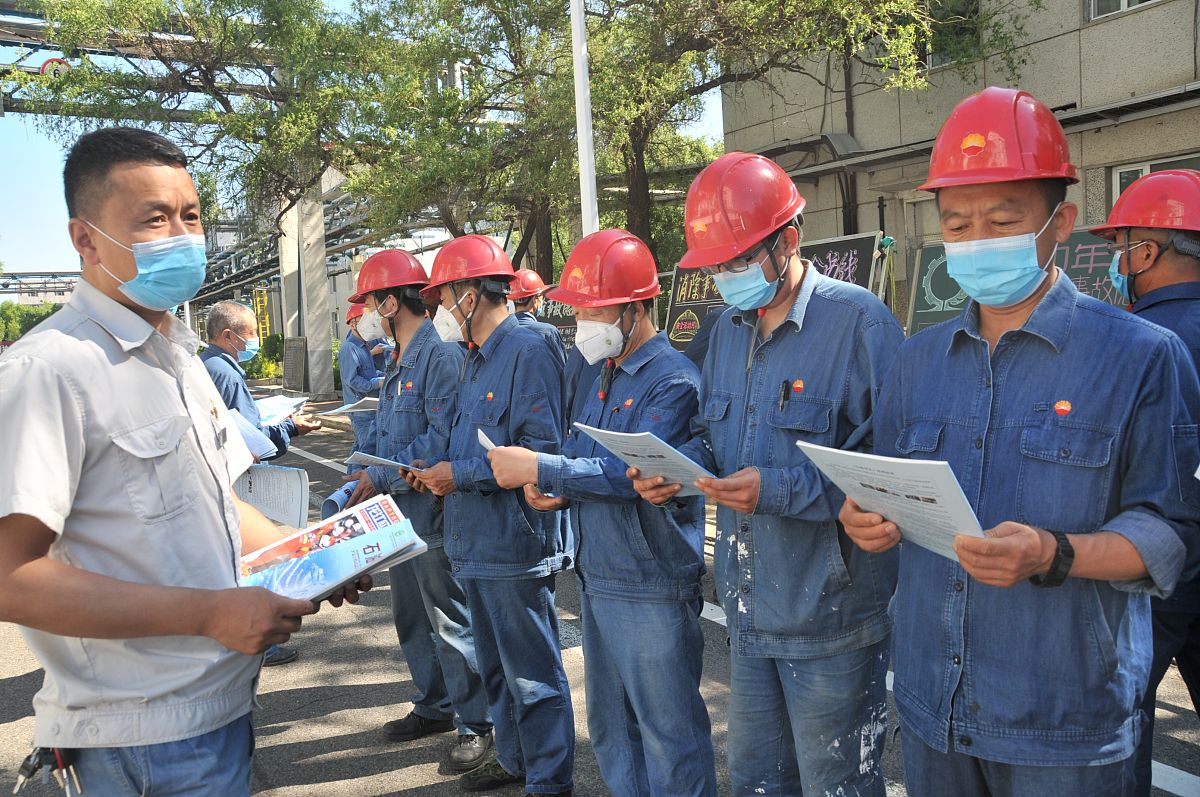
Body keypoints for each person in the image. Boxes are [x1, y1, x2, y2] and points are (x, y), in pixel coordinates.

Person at [840, 87, 1200, 797]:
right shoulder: (915, 361)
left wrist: (1054, 551)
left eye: (1003, 219)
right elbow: (881, 486)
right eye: (958, 223)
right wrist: (864, 517)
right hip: (932, 707)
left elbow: (1171, 534)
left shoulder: (1140, 356)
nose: (978, 240)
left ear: (1058, 221)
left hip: (1065, 722)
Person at [0, 126, 367, 797]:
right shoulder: (49, 370)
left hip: (222, 703)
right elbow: (10, 575)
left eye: (190, 215)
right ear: (85, 238)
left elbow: (220, 503)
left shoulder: (179, 358)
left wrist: (312, 555)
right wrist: (207, 612)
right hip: (137, 739)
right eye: (154, 218)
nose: (182, 235)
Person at [632, 151, 904, 797]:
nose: (727, 277)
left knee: (835, 782)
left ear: (788, 240)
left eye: (738, 260)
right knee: (757, 780)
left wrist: (777, 489)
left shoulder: (860, 323)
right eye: (717, 265)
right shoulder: (727, 330)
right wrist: (673, 470)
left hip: (831, 619)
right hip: (749, 610)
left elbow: (895, 475)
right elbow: (713, 437)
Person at [489, 229, 717, 797]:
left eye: (595, 309)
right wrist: (559, 486)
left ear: (636, 308)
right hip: (600, 577)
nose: (582, 323)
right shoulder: (601, 373)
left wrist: (541, 470)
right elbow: (583, 456)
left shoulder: (673, 380)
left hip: (651, 583)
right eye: (578, 309)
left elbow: (629, 476)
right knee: (613, 731)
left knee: (670, 736)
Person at [412, 235, 574, 796]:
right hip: (473, 540)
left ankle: (548, 780)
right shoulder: (474, 358)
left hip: (514, 542)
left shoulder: (527, 350)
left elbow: (539, 449)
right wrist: (440, 468)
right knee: (498, 668)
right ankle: (512, 759)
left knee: (533, 674)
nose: (437, 311)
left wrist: (460, 474)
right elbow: (474, 442)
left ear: (472, 294)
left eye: (443, 297)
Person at [340, 249, 494, 773]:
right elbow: (387, 432)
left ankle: (476, 723)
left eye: (367, 302)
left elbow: (440, 436)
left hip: (429, 511)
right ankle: (435, 705)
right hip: (396, 511)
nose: (361, 313)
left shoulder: (439, 355)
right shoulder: (396, 356)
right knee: (411, 615)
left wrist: (379, 472)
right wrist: (367, 471)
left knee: (450, 618)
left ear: (389, 302)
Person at [1091, 168, 1200, 796]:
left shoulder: (1138, 346)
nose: (1116, 260)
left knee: (1117, 731)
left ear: (1147, 252)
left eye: (1119, 246)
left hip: (1154, 572)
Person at [201, 299, 321, 458]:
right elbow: (252, 440)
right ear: (228, 335)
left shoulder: (205, 363)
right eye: (251, 332)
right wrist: (292, 427)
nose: (256, 338)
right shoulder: (228, 376)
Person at [339, 302, 386, 453]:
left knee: (361, 449)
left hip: (369, 408)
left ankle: (353, 476)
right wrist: (375, 384)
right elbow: (352, 380)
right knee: (367, 451)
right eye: (364, 321)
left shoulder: (364, 346)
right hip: (360, 410)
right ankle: (356, 476)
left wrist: (385, 377)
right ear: (353, 324)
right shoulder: (349, 348)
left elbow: (369, 373)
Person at [509, 267, 567, 366]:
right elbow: (563, 371)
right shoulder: (548, 332)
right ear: (535, 299)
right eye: (541, 297)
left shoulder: (502, 332)